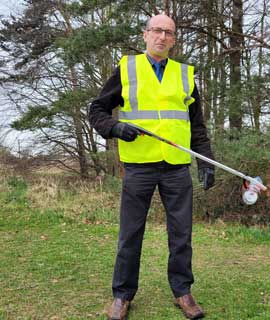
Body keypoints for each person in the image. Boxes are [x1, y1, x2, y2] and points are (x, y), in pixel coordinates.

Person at [89, 14, 215, 320]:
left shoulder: (185, 75)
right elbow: (97, 110)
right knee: (130, 233)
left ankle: (183, 292)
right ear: (146, 35)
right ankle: (122, 295)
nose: (162, 36)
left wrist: (205, 160)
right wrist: (116, 129)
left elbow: (195, 124)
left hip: (175, 167)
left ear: (174, 39)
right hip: (139, 166)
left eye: (169, 33)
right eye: (157, 30)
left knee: (181, 234)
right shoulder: (127, 69)